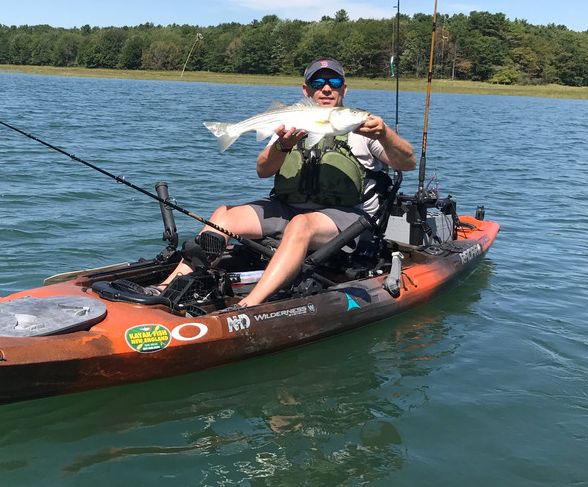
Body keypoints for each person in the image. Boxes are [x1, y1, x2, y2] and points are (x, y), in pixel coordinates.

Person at [162, 57, 416, 308]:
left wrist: (385, 133)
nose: (326, 88)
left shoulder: (363, 128)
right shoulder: (295, 120)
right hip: (288, 207)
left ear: (344, 89)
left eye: (334, 82)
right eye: (317, 82)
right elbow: (263, 170)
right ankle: (166, 289)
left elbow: (407, 163)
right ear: (306, 89)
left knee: (300, 225)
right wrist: (283, 145)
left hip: (348, 218)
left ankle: (247, 306)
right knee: (223, 216)